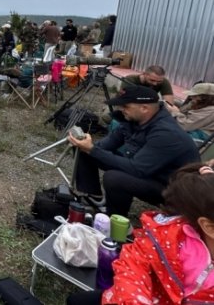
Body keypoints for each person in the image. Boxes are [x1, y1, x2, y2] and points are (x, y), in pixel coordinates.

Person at [66, 163, 214, 304]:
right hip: (137, 294)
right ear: (209, 227)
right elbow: (134, 265)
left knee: (113, 177)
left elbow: (137, 166)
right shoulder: (168, 239)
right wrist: (93, 150)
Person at [68, 85, 200, 217]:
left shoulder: (166, 133)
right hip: (148, 171)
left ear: (144, 108)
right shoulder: (134, 120)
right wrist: (87, 145)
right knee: (84, 150)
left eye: (126, 106)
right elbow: (103, 147)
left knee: (114, 178)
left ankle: (116, 222)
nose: (121, 109)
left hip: (172, 188)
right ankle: (93, 199)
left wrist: (93, 150)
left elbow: (137, 169)